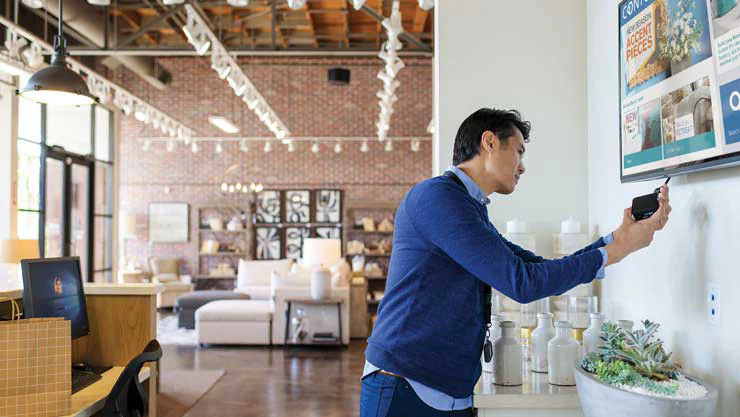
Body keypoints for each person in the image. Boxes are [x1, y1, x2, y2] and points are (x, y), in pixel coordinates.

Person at [360, 108, 671, 417]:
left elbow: (533, 266)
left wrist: (616, 240)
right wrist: (617, 251)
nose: (522, 167)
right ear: (489, 142)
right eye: (519, 151)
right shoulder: (438, 198)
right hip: (405, 385)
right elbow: (521, 282)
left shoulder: (468, 208)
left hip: (448, 389)